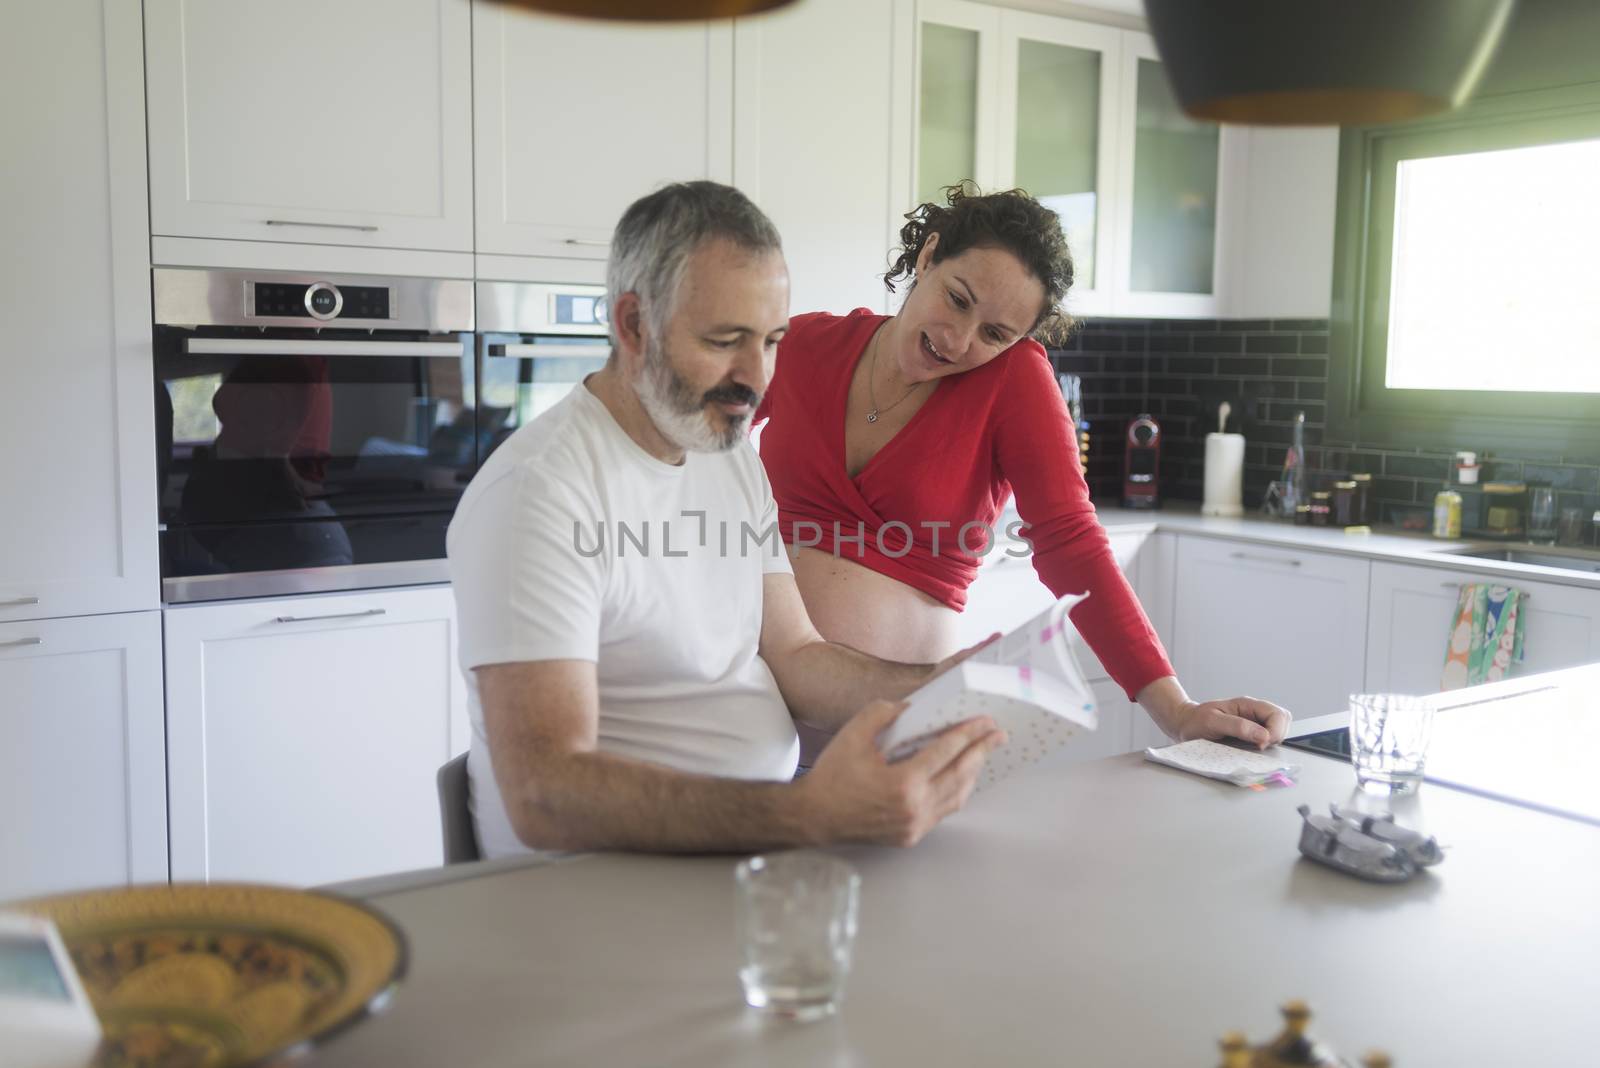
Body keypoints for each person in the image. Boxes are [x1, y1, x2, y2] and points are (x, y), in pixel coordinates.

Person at [447, 181, 1005, 860]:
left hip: (743, 856)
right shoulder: (540, 492)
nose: (757, 376)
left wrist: (936, 686)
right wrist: (809, 813)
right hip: (598, 893)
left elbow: (798, 656)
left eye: (771, 341)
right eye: (724, 341)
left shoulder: (728, 456)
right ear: (633, 326)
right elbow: (544, 793)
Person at [754, 184, 1290, 757]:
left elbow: (1071, 542)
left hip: (890, 737)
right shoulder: (805, 343)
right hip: (750, 716)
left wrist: (1177, 711)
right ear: (929, 256)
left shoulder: (1013, 383)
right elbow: (685, 439)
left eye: (995, 334)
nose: (958, 342)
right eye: (958, 300)